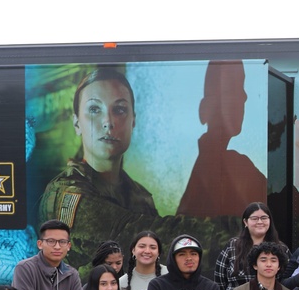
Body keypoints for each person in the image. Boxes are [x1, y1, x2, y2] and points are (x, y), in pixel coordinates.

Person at [38, 68, 237, 269]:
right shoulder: (66, 194)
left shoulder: (139, 195)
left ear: (133, 121)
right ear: (77, 123)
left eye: (120, 109)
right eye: (94, 110)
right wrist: (243, 232)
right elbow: (149, 238)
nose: (108, 122)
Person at [177, 60, 269, 217]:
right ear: (205, 108)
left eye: (241, 87)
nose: (244, 96)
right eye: (233, 88)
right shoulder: (232, 166)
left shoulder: (219, 164)